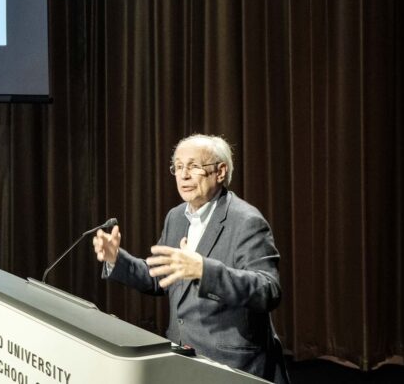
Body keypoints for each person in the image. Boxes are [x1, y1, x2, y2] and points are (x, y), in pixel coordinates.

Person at [93, 134, 289, 383]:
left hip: (232, 364)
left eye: (194, 166)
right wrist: (116, 259)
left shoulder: (246, 221)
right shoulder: (176, 217)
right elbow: (159, 277)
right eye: (178, 166)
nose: (183, 175)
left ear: (220, 172)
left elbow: (268, 290)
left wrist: (203, 270)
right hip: (182, 357)